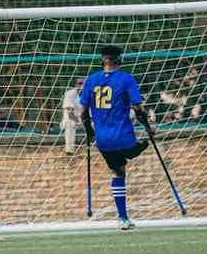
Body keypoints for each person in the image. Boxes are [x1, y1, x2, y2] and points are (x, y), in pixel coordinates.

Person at [80, 44, 149, 231]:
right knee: (138, 147)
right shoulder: (126, 79)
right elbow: (138, 108)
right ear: (119, 59)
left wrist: (90, 132)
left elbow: (83, 112)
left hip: (103, 140)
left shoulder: (91, 80)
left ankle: (123, 218)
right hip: (124, 137)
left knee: (118, 172)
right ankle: (135, 150)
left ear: (103, 60)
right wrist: (149, 128)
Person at [61, 80, 83, 154]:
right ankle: (69, 150)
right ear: (75, 84)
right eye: (80, 83)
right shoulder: (70, 94)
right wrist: (79, 122)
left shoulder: (89, 93)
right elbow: (70, 113)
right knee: (70, 123)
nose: (82, 85)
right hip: (72, 118)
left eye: (84, 83)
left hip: (84, 117)